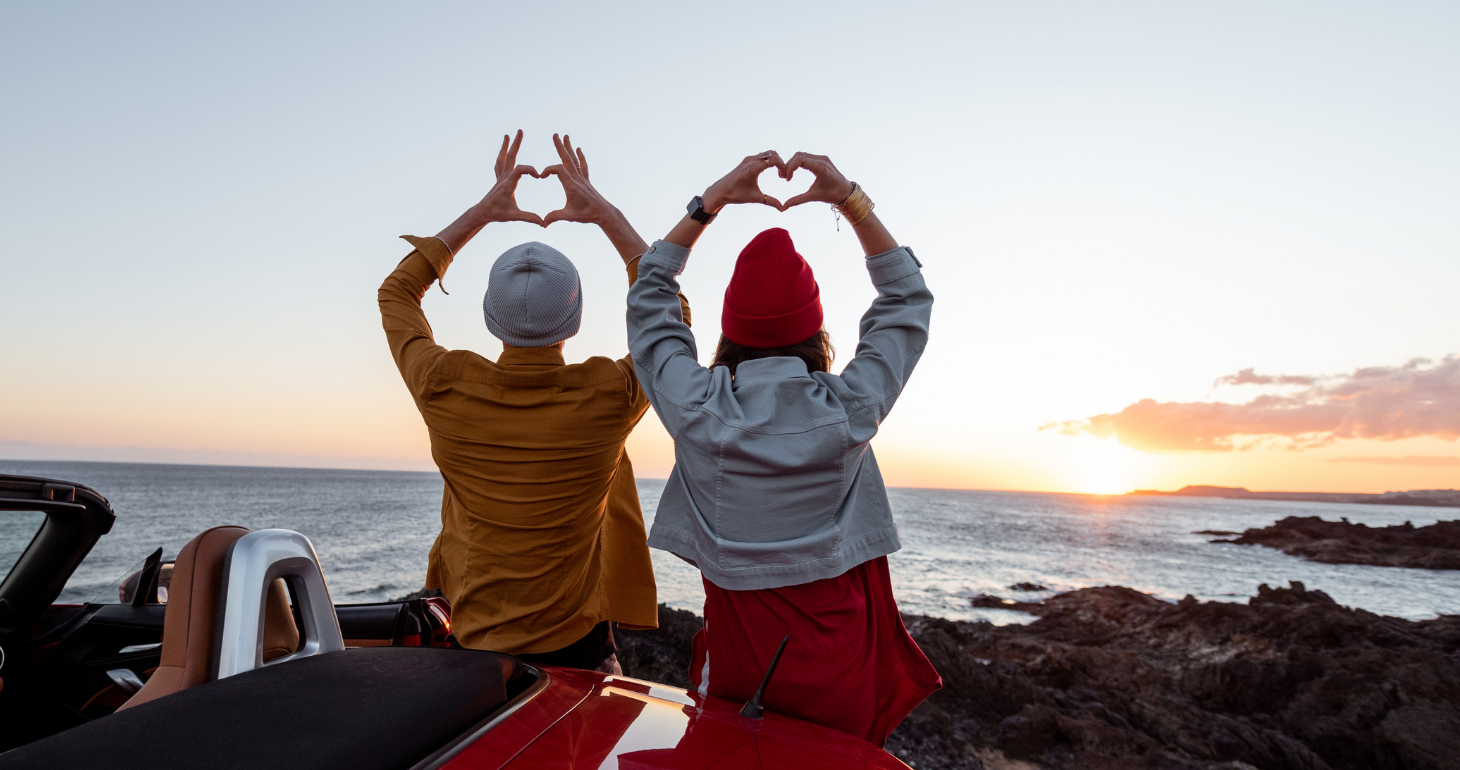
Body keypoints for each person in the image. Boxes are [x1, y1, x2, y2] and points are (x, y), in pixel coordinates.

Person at [625, 150, 941, 745]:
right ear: (817, 333)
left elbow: (650, 296)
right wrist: (851, 200)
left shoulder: (695, 408)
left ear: (729, 334)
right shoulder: (850, 409)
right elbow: (907, 301)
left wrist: (710, 201)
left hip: (745, 671)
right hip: (840, 662)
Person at [378, 131, 688, 672]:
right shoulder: (609, 396)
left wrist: (484, 211)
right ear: (575, 319)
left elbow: (397, 293)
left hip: (471, 641)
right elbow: (669, 313)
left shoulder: (443, 384)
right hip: (578, 645)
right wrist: (604, 212)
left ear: (489, 317)